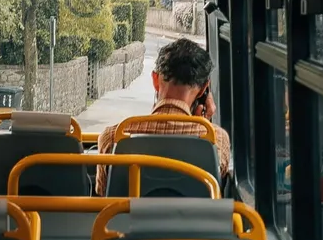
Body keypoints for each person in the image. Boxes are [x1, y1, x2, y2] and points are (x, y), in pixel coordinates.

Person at [95, 36, 230, 195]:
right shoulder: (217, 139)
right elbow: (214, 192)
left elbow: (104, 197)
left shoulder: (112, 137)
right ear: (203, 90)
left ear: (155, 80)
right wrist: (202, 124)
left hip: (130, 220)